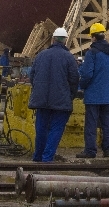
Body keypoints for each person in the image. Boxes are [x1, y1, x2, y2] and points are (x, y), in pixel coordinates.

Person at [29, 27, 80, 163]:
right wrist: (70, 96)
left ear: (53, 39)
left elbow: (32, 75)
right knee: (56, 129)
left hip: (42, 100)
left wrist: (39, 90)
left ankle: (37, 157)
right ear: (65, 41)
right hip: (61, 101)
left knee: (41, 128)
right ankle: (47, 159)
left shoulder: (41, 55)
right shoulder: (69, 58)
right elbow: (74, 79)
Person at [77, 22, 109, 159]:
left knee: (91, 125)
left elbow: (87, 75)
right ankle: (107, 150)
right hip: (108, 96)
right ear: (103, 35)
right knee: (106, 125)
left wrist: (83, 86)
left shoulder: (92, 53)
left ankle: (90, 151)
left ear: (93, 37)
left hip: (93, 96)